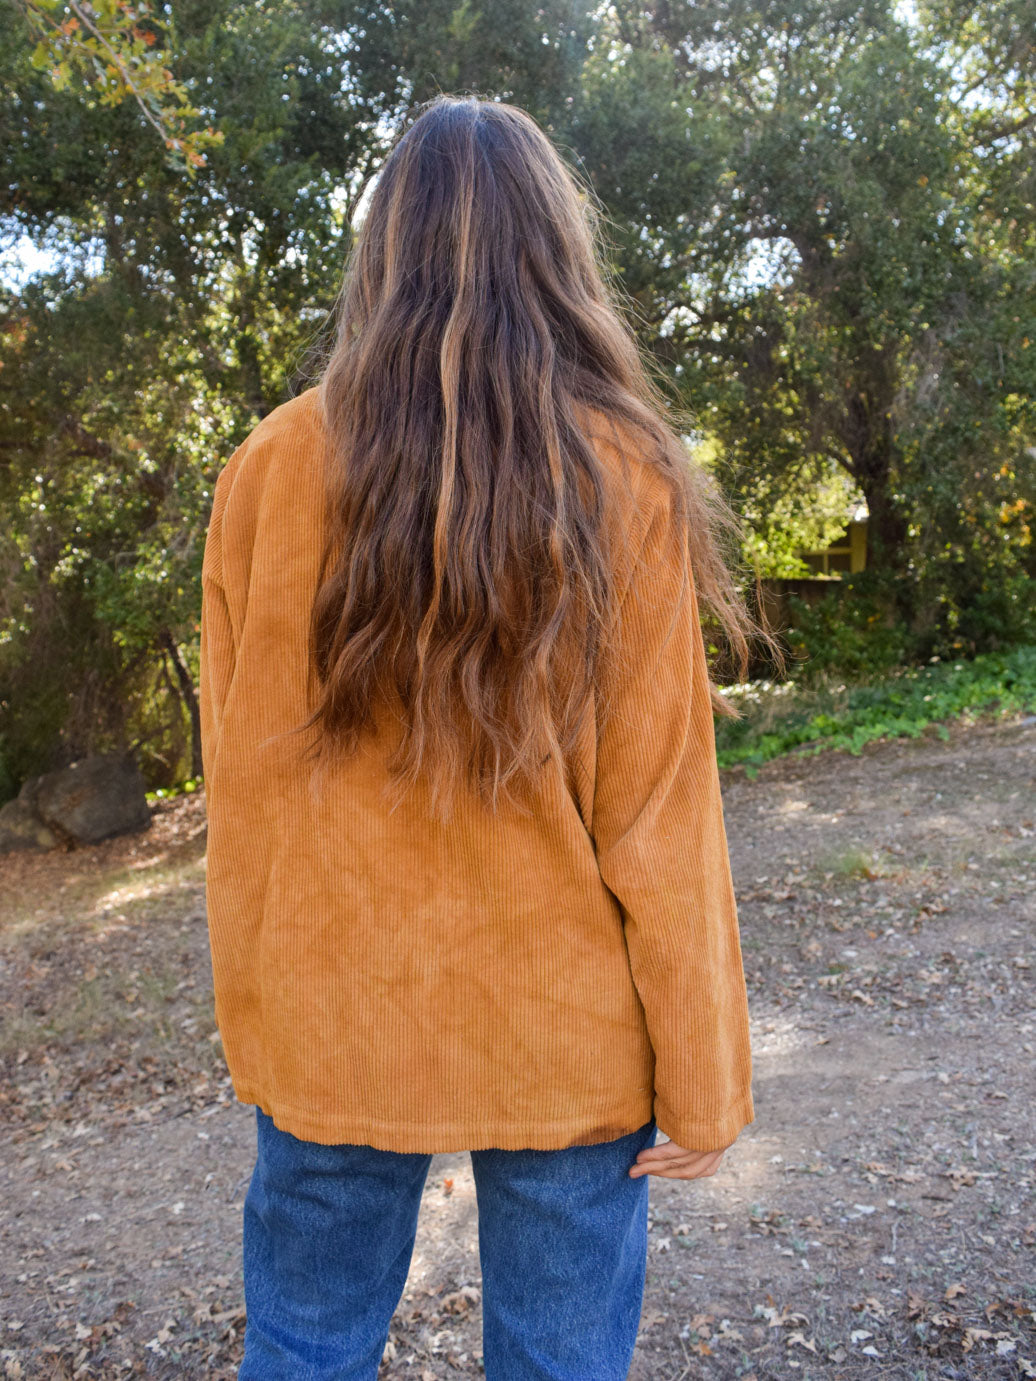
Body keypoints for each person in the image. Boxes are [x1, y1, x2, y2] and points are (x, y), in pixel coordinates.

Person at [199, 92, 782, 1381]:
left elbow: (239, 795)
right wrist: (703, 1078)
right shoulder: (622, 473)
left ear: (383, 250)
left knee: (302, 1347)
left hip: (333, 1013)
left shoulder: (271, 468)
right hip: (561, 1027)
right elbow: (659, 812)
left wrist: (264, 1025)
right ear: (554, 249)